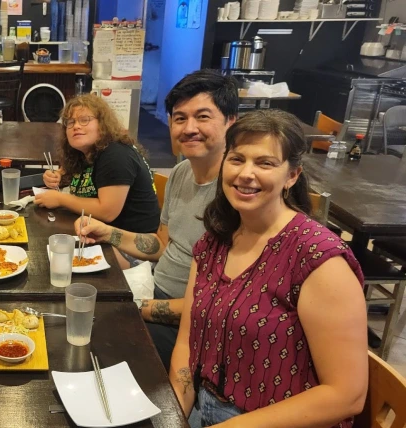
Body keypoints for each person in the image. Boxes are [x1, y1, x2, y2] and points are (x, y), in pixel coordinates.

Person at [169, 110, 367, 427]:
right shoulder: (214, 241)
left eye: (265, 163)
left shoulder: (319, 259)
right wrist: (173, 414)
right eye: (237, 159)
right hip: (203, 409)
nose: (246, 173)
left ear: (292, 175)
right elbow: (186, 340)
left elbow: (347, 395)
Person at [75, 70, 238, 370]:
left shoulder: (239, 193)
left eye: (203, 117)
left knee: (93, 344)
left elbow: (217, 305)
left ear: (231, 121)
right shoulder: (179, 173)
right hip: (152, 287)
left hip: (194, 325)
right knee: (73, 311)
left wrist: (138, 308)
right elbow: (161, 244)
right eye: (179, 118)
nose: (189, 128)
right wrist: (107, 232)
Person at [36, 93, 160, 268]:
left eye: (84, 120)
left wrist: (59, 199)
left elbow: (107, 211)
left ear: (103, 125)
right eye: (70, 123)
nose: (76, 126)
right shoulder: (85, 154)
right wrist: (56, 177)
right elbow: (75, 181)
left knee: (53, 263)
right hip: (98, 234)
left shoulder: (116, 154)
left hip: (132, 249)